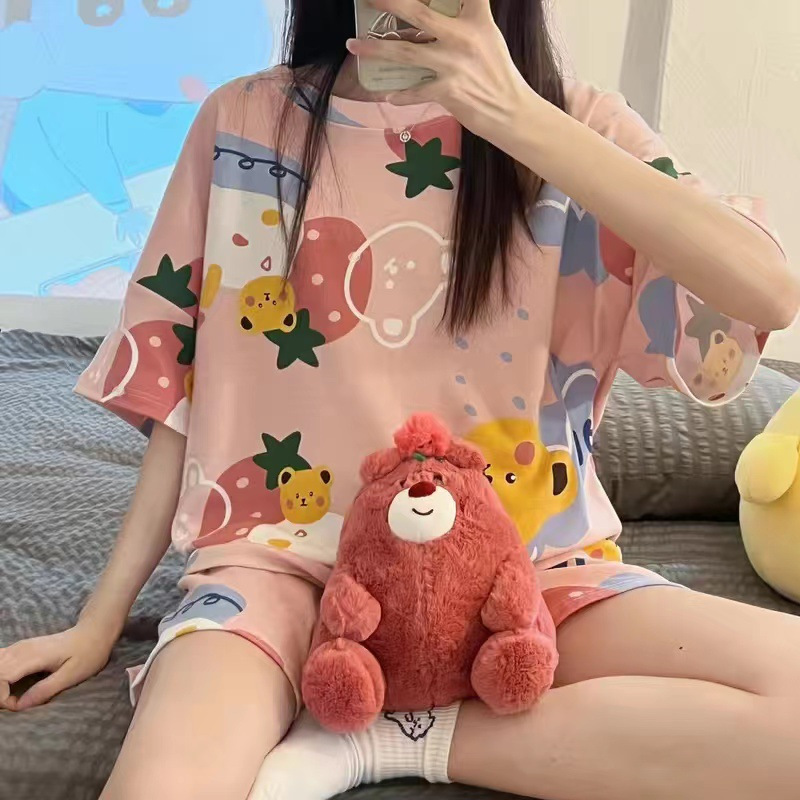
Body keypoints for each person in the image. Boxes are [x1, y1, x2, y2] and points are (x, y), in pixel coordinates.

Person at [2, 1, 799, 798]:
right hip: (282, 570)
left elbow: (768, 292)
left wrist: (516, 115)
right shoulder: (243, 124)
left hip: (526, 571)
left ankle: (395, 742)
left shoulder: (575, 127)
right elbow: (184, 388)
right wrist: (101, 620)